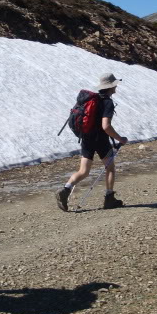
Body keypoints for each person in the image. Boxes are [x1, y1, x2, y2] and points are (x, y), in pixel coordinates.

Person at [56, 73, 128, 212]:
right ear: (111, 86)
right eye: (115, 84)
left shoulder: (91, 100)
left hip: (86, 138)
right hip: (100, 140)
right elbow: (105, 126)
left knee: (83, 171)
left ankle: (65, 190)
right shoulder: (107, 102)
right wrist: (120, 139)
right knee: (110, 168)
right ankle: (109, 198)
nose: (116, 87)